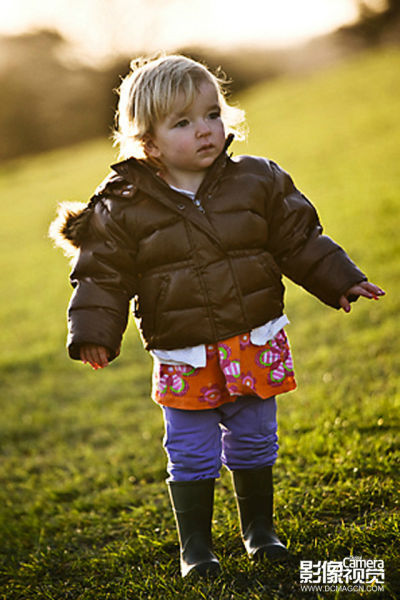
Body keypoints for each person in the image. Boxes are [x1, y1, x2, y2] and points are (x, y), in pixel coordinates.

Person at [49, 54, 385, 579]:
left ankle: (259, 531)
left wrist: (339, 278)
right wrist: (94, 332)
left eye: (211, 113)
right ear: (149, 143)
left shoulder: (258, 181)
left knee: (254, 439)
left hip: (253, 339)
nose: (205, 130)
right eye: (183, 122)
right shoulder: (124, 205)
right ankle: (196, 548)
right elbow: (101, 277)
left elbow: (299, 239)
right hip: (183, 351)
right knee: (190, 450)